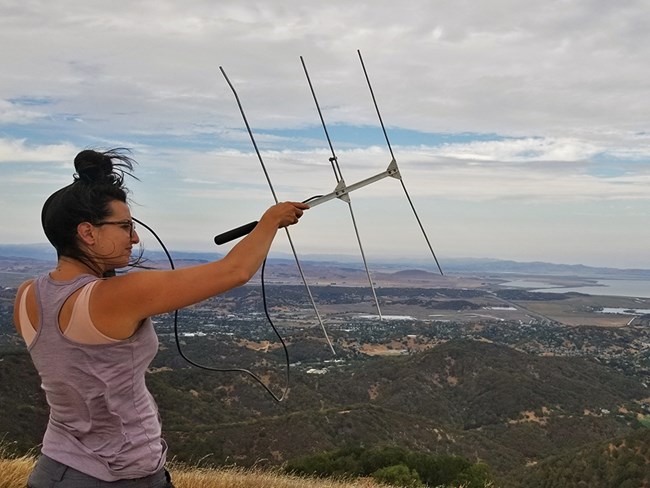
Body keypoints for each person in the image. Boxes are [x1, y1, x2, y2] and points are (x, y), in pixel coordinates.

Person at [12, 148, 308, 487]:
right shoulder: (117, 296)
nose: (135, 237)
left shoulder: (26, 295)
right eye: (125, 226)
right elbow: (234, 270)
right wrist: (271, 220)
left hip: (54, 469)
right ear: (88, 233)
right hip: (118, 475)